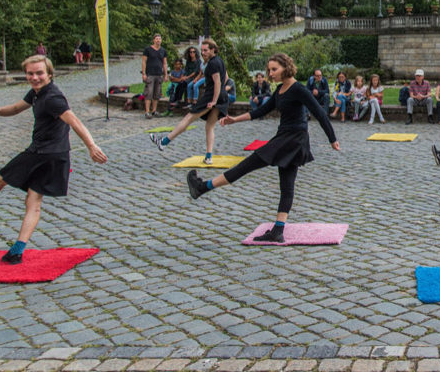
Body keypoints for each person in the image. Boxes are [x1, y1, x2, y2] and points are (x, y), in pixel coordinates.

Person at [0, 55, 107, 264]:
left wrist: (92, 146)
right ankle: (17, 251)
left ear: (49, 74)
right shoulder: (38, 93)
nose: (35, 77)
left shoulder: (52, 98)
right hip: (56, 156)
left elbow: (74, 121)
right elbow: (17, 108)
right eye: (30, 73)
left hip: (41, 153)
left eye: (39, 73)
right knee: (33, 201)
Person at [186, 52, 341, 243]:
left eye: (274, 69)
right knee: (287, 184)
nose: (271, 73)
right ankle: (278, 230)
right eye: (269, 69)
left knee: (247, 165)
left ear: (286, 67)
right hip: (287, 138)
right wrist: (235, 120)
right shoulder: (280, 90)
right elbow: (260, 111)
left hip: (292, 139)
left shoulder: (298, 89)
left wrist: (332, 139)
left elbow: (319, 112)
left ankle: (203, 187)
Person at [154, 38, 228, 165]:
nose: (203, 53)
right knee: (209, 126)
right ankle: (209, 156)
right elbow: (225, 78)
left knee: (188, 118)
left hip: (211, 97)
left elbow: (218, 82)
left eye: (205, 50)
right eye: (202, 50)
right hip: (221, 96)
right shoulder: (219, 61)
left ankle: (164, 141)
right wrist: (220, 94)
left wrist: (214, 100)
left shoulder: (213, 64)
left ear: (213, 50)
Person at [142, 33, 169, 118]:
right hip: (150, 74)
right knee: (149, 92)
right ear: (153, 40)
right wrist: (144, 73)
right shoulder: (148, 49)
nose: (158, 40)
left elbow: (164, 63)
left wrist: (165, 74)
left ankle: (154, 110)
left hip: (158, 74)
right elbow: (144, 61)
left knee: (157, 93)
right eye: (157, 39)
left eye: (159, 39)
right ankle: (147, 111)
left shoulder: (163, 51)